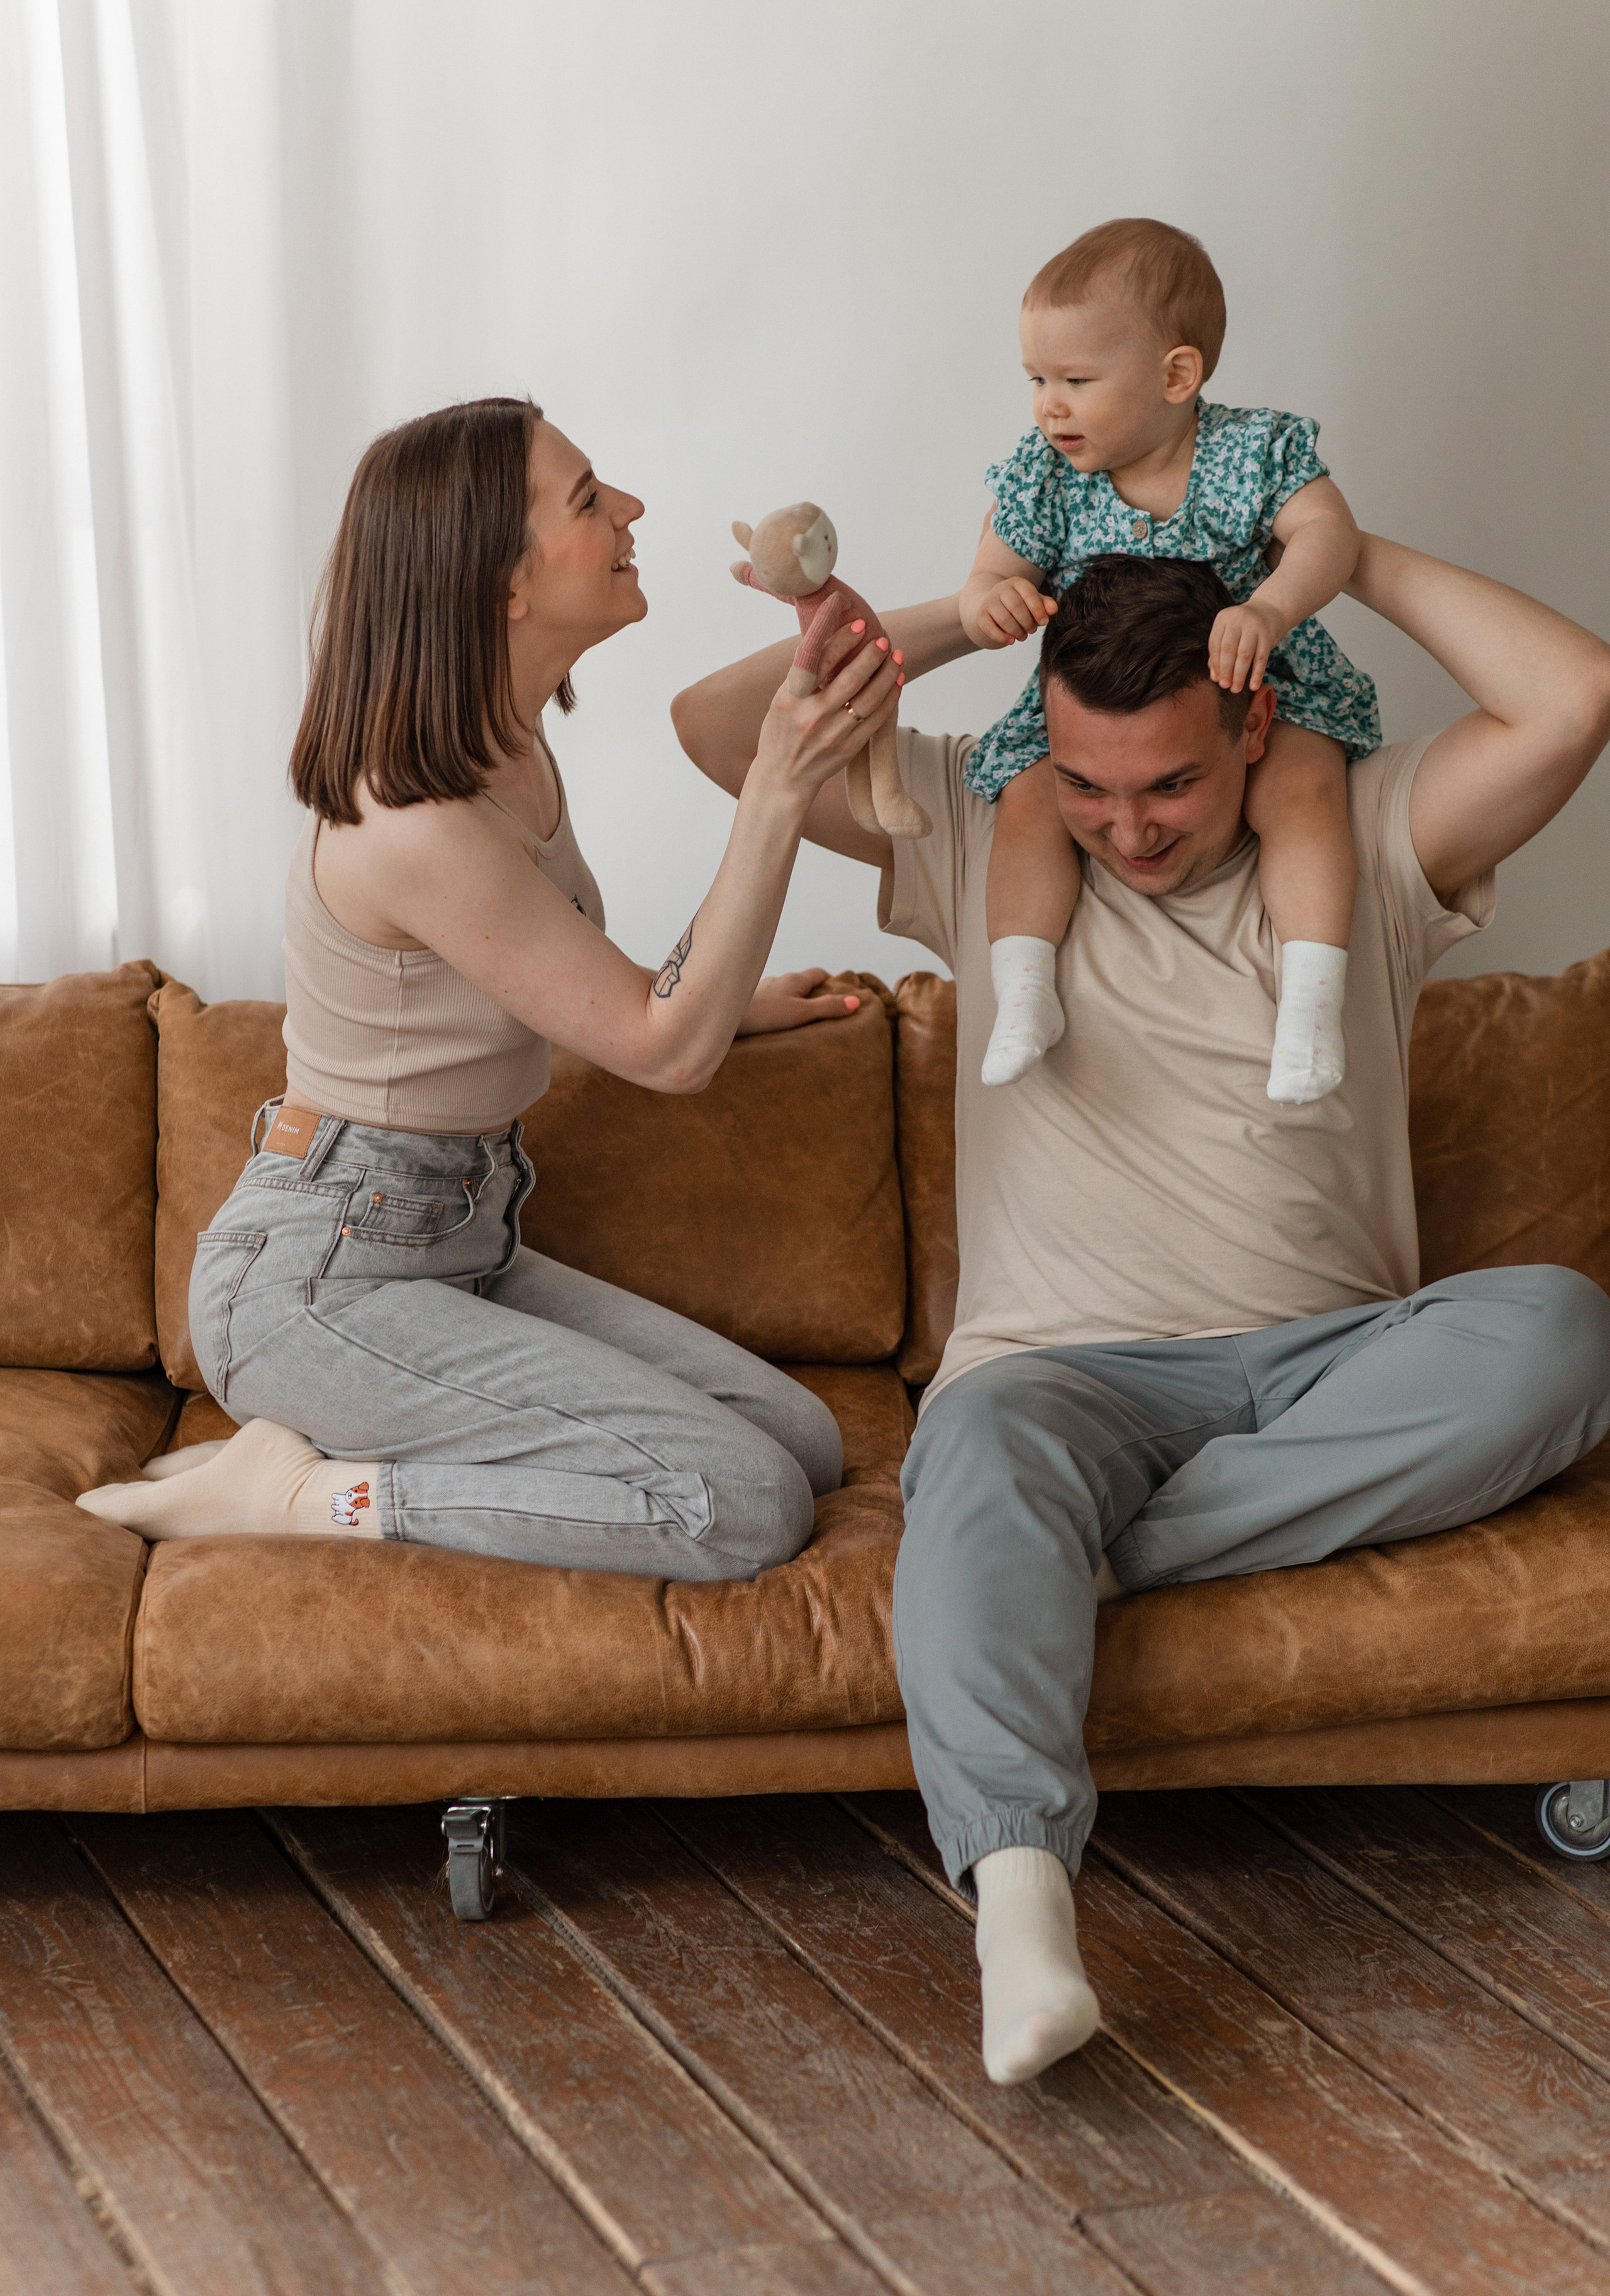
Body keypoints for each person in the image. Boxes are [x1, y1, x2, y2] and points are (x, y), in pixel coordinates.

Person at [672, 531, 1610, 2088]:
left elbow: (1575, 695)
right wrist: (966, 626)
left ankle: (1037, 1574)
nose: (1124, 829)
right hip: (1059, 1379)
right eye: (1092, 786)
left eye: (1168, 785)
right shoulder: (986, 827)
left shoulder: (1365, 838)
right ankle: (1022, 1920)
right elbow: (718, 725)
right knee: (981, 1450)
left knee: (1560, 1331)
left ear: (1251, 723)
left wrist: (1337, 556)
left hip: (1334, 1367)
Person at [81, 396, 902, 1576]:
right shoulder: (414, 819)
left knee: (804, 1443)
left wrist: (727, 993)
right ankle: (306, 1493)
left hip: (461, 1237)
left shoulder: (504, 746)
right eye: (588, 499)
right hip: (322, 1277)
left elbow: (586, 992)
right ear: (501, 582)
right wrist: (775, 790)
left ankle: (331, 1446)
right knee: (742, 1504)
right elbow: (665, 1052)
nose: (629, 510)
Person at [962, 218, 1375, 1101]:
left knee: (1302, 790)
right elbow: (994, 568)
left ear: (1176, 376)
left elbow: (1326, 534)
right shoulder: (1044, 476)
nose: (1049, 406)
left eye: (1076, 380)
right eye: (1036, 379)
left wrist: (1270, 606)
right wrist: (987, 598)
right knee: (1032, 800)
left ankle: (1309, 1005)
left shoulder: (1249, 450)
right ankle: (1026, 989)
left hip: (1259, 682)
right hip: (1107, 706)